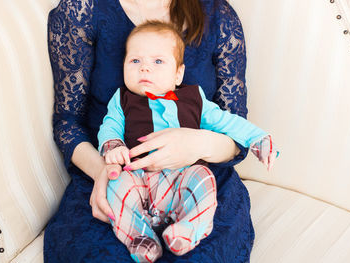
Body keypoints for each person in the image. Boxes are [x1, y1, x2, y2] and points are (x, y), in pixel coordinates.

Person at [45, 0, 264, 261]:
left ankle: (188, 229)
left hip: (199, 175)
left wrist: (197, 144)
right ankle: (139, 237)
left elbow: (237, 132)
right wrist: (104, 171)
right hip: (114, 173)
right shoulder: (82, 9)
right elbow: (67, 122)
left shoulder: (219, 17)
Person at [98, 21, 277, 262]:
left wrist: (258, 138)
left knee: (204, 177)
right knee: (115, 184)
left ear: (178, 73)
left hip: (181, 178)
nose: (145, 69)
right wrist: (112, 144)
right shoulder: (121, 99)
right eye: (135, 61)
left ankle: (186, 230)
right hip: (137, 176)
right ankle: (140, 238)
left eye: (158, 61)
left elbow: (226, 121)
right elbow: (109, 126)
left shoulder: (195, 99)